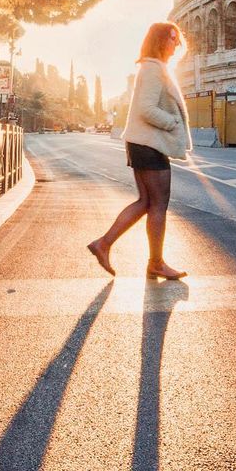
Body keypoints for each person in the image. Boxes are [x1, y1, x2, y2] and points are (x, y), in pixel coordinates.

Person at [87, 21, 191, 279]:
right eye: (172, 38)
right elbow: (146, 108)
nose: (176, 44)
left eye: (177, 40)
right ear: (160, 40)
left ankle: (104, 244)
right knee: (158, 205)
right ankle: (155, 263)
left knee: (146, 202)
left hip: (142, 143)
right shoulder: (153, 70)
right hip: (149, 144)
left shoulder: (151, 68)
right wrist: (173, 122)